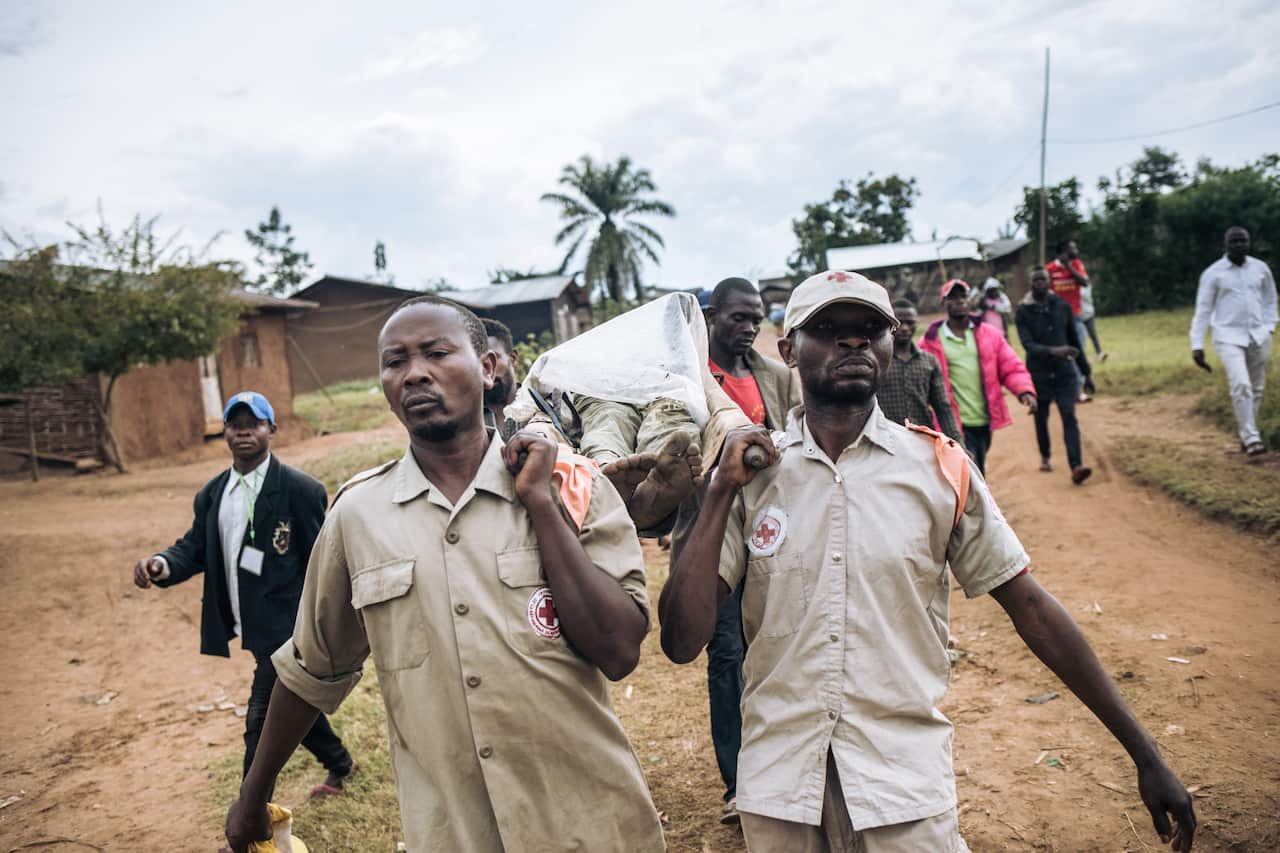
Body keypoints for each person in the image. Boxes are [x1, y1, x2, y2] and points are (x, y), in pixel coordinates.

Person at [658, 270, 1196, 853]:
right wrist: (715, 493)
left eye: (870, 329)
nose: (853, 342)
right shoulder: (752, 477)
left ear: (890, 345)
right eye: (828, 329)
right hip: (779, 790)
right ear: (788, 350)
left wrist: (1145, 753)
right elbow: (684, 639)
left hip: (902, 788)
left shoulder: (941, 470)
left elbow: (1034, 610)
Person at [223, 295, 664, 853]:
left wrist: (541, 505)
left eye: (436, 353)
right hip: (452, 833)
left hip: (592, 822)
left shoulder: (570, 483)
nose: (415, 374)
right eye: (395, 362)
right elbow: (311, 667)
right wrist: (252, 796)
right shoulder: (358, 515)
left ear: (487, 367)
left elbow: (620, 648)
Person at [132, 391, 355, 798]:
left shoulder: (300, 490)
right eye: (235, 425)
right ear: (225, 433)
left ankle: (249, 819)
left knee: (261, 721)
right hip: (250, 625)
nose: (244, 432)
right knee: (287, 703)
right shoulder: (214, 495)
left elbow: (321, 561)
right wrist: (161, 564)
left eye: (253, 423)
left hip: (287, 630)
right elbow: (195, 548)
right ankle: (340, 764)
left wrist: (324, 624)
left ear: (272, 429)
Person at [700, 276, 801, 825]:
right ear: (712, 316)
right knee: (728, 653)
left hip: (772, 531)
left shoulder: (777, 377)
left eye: (755, 317)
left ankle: (783, 765)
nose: (748, 326)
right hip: (713, 530)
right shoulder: (690, 378)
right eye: (737, 317)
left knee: (777, 644)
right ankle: (739, 783)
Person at [919, 279, 1036, 474]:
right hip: (953, 422)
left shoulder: (989, 334)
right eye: (953, 298)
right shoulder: (930, 341)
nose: (959, 301)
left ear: (969, 300)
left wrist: (1024, 390)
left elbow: (1010, 365)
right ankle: (975, 503)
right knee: (969, 470)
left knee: (978, 464)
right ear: (944, 303)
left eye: (962, 296)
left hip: (984, 419)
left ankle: (975, 501)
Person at [1190, 226, 1277, 456]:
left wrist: (1270, 326)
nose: (1240, 245)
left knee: (1257, 387)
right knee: (1241, 384)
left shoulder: (1260, 269)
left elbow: (1270, 299)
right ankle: (1251, 438)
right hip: (1228, 337)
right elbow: (1203, 310)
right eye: (1235, 241)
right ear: (1225, 245)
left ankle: (1247, 432)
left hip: (1259, 335)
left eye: (1244, 241)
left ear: (1249, 243)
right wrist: (1196, 345)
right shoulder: (1213, 273)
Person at [1016, 267, 1094, 484]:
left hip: (1064, 373)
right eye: (1036, 280)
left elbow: (1075, 343)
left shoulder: (1062, 306)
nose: (1040, 283)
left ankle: (1076, 465)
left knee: (1069, 416)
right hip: (1038, 374)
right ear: (1031, 284)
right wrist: (1054, 351)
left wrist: (1087, 373)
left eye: (1043, 279)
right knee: (1041, 418)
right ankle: (1045, 455)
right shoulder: (1023, 311)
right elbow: (1028, 345)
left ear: (1049, 282)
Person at [879, 298, 963, 442]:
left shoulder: (929, 361)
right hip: (885, 440)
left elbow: (943, 407)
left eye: (910, 323)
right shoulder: (877, 361)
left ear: (917, 324)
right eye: (899, 322)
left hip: (922, 440)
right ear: (889, 323)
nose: (905, 328)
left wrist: (958, 444)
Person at [1046, 239, 1095, 402]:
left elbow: (1084, 282)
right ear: (1063, 251)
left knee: (1076, 353)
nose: (1077, 250)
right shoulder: (1050, 269)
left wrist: (1069, 267)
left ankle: (1078, 391)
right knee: (1058, 356)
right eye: (1073, 248)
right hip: (1056, 321)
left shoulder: (1076, 265)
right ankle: (1060, 390)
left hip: (1075, 318)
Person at [481, 317, 518, 438]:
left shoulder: (542, 407)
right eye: (477, 361)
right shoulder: (465, 419)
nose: (486, 369)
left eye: (493, 358)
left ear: (512, 358)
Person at [1078, 280, 1107, 361]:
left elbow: (1083, 295)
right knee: (1079, 337)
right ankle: (1080, 356)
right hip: (1077, 316)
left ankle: (1100, 353)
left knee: (1093, 335)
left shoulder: (1086, 287)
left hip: (1087, 314)